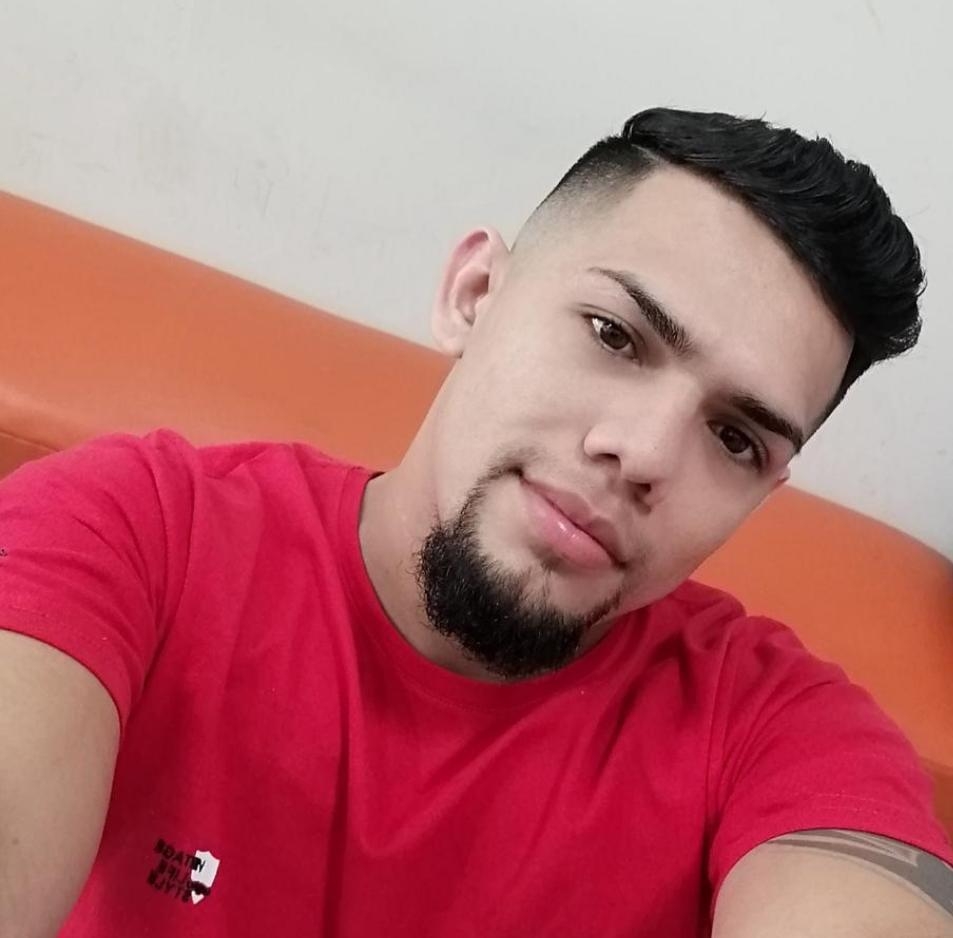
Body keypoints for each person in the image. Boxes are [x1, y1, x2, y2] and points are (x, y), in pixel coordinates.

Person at [0, 107, 951, 938]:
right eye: (614, 335)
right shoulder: (141, 528)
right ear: (474, 296)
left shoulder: (779, 731)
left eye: (734, 439)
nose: (644, 454)